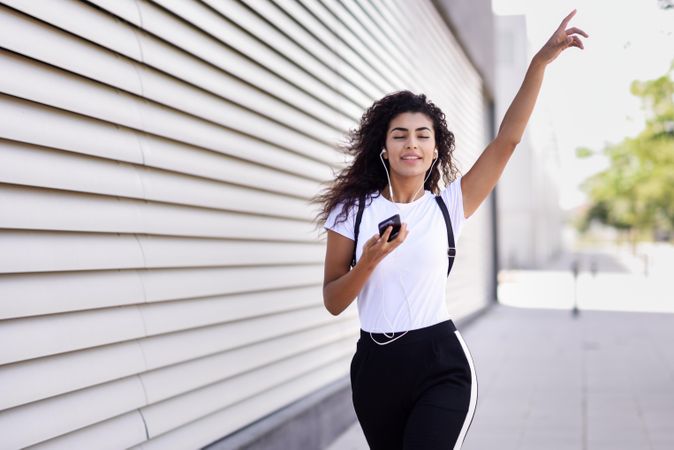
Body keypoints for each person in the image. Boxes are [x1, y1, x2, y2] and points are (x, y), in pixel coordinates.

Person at [313, 10, 588, 450]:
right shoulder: (352, 210)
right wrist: (368, 262)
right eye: (400, 135)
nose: (412, 144)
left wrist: (538, 63)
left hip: (440, 362)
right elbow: (332, 300)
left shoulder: (449, 206)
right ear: (383, 147)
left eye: (423, 136)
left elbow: (507, 140)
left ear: (434, 149)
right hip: (374, 370)